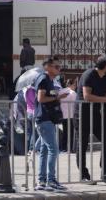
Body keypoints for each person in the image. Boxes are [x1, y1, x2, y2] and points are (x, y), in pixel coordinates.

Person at [74, 56, 106, 184]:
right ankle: (83, 174)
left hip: (96, 113)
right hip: (82, 113)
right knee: (82, 144)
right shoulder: (89, 75)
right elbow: (87, 96)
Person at [34, 57, 68, 191]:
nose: (58, 69)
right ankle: (51, 180)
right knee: (54, 149)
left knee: (44, 150)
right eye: (56, 67)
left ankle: (42, 181)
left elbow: (49, 95)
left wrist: (58, 95)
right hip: (44, 118)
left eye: (59, 67)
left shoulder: (50, 80)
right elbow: (41, 98)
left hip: (47, 118)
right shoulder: (43, 79)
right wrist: (57, 97)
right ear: (47, 67)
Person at [60, 79, 77, 152]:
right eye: (75, 85)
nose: (75, 86)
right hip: (71, 115)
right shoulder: (73, 93)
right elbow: (76, 104)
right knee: (71, 133)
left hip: (63, 115)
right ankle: (70, 148)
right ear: (72, 84)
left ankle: (64, 147)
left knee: (65, 132)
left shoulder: (61, 91)